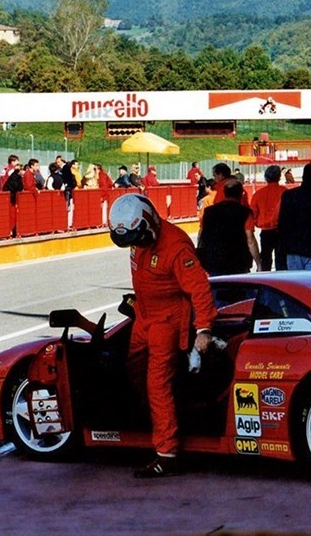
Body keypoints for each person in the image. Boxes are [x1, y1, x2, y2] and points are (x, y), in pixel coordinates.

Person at [108, 194, 218, 478]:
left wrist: (204, 329)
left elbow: (200, 289)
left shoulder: (177, 247)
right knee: (133, 370)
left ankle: (166, 452)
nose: (136, 243)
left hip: (167, 322)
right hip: (143, 317)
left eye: (138, 237)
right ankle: (163, 418)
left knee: (157, 384)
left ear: (150, 221)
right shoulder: (137, 236)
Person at [197, 179, 261, 276]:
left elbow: (201, 235)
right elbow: (250, 240)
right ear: (241, 193)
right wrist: (258, 263)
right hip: (238, 261)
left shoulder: (209, 212)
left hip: (214, 261)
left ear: (224, 193)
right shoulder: (245, 212)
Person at [250, 165, 287, 271]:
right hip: (282, 230)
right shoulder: (285, 192)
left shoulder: (258, 194)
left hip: (266, 230)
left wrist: (257, 222)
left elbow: (253, 213)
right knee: (281, 259)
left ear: (266, 177)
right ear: (279, 177)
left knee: (265, 258)